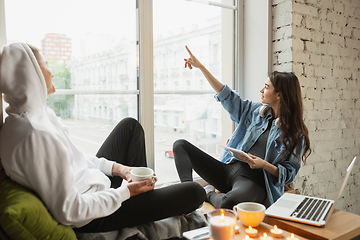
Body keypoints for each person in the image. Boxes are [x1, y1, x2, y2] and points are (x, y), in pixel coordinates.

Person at [0, 43, 205, 233]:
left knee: (129, 126)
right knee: (195, 192)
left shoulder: (38, 115)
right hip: (92, 214)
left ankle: (141, 197)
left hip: (95, 187)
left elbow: (77, 158)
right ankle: (141, 201)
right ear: (31, 75)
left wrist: (119, 168)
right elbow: (70, 211)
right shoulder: (35, 135)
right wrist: (126, 193)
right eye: (45, 65)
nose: (51, 72)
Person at [173, 46, 311, 209]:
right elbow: (227, 95)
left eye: (266, 87)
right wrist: (201, 67)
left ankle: (207, 194)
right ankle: (188, 193)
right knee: (180, 145)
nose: (261, 90)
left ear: (279, 94)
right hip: (227, 170)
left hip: (254, 182)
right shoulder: (254, 111)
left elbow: (288, 175)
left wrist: (263, 164)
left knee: (228, 203)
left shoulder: (296, 135)